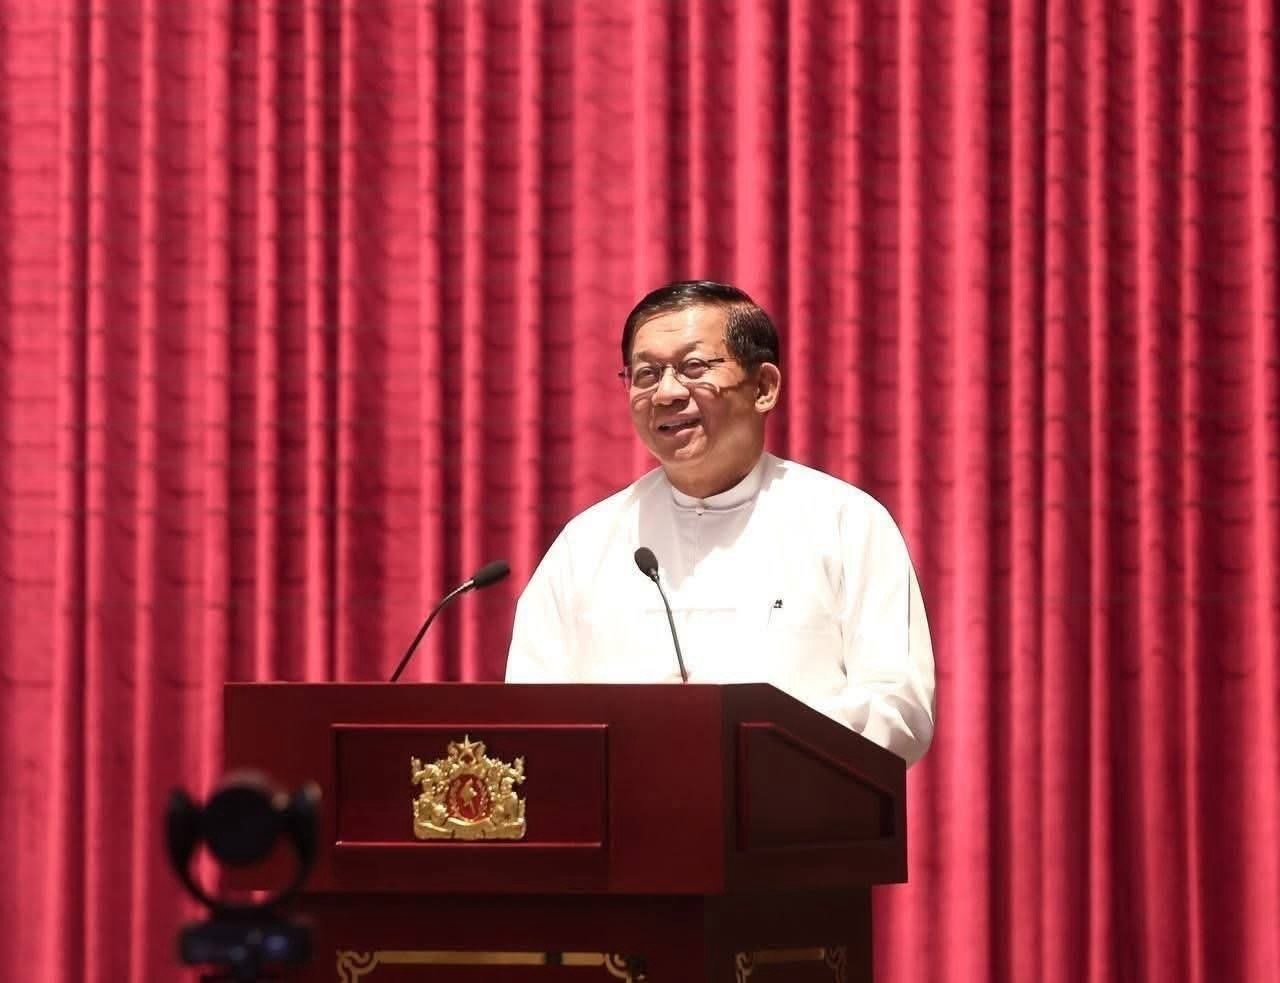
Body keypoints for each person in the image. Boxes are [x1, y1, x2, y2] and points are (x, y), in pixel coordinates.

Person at [505, 281, 935, 765]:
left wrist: (750, 741)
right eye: (646, 374)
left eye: (694, 368)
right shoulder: (586, 544)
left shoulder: (845, 522)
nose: (666, 393)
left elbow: (899, 708)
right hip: (625, 809)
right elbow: (531, 718)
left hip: (794, 806)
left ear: (763, 387)